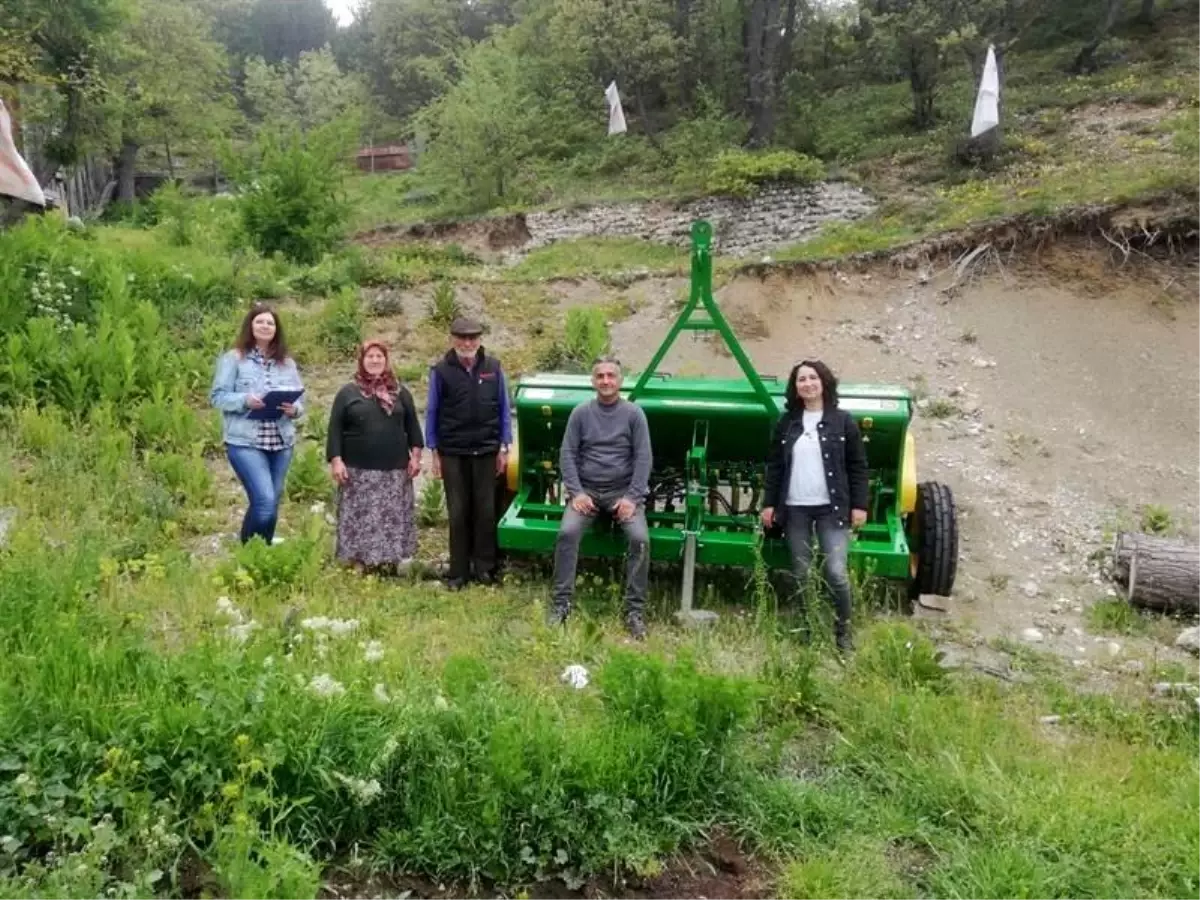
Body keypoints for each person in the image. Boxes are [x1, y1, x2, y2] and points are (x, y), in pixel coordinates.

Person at [761, 359, 869, 652]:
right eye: (801, 380)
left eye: (812, 378)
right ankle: (808, 630)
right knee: (802, 573)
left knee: (835, 571)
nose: (807, 383)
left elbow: (857, 466)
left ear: (824, 383)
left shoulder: (843, 421)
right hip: (795, 508)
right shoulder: (787, 423)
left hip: (831, 509)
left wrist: (860, 505)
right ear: (795, 388)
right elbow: (775, 467)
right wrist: (769, 504)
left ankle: (843, 634)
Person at [549, 356, 653, 640]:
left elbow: (644, 458)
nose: (606, 381)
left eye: (611, 376)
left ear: (620, 380)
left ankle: (634, 611)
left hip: (623, 493)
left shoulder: (634, 414)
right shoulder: (581, 413)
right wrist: (577, 492)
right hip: (588, 492)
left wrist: (632, 497)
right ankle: (560, 605)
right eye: (600, 376)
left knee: (640, 540)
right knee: (567, 533)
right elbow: (567, 453)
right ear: (592, 381)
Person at [424, 316, 511, 589]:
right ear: (453, 340)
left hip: (486, 449)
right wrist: (434, 451)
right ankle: (458, 571)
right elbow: (432, 411)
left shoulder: (494, 368)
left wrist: (504, 446)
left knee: (485, 511)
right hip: (453, 451)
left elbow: (504, 409)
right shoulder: (440, 371)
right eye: (462, 338)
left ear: (480, 340)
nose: (468, 343)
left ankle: (485, 568)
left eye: (473, 338)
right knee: (458, 511)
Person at [210, 302, 305, 545]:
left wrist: (293, 409)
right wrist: (244, 400)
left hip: (281, 441)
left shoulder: (288, 363)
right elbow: (217, 397)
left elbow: (301, 402)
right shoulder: (234, 359)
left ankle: (261, 549)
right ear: (250, 326)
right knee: (264, 501)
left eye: (270, 323)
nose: (265, 326)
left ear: (277, 329)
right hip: (245, 441)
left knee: (272, 502)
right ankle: (250, 550)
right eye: (260, 321)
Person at [326, 339, 424, 573]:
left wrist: (416, 457)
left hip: (394, 469)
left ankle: (390, 561)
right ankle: (359, 561)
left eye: (379, 356)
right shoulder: (348, 393)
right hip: (358, 469)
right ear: (362, 361)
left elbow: (413, 428)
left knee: (391, 516)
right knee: (360, 516)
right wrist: (336, 461)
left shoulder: (400, 392)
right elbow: (334, 430)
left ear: (386, 360)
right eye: (370, 356)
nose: (375, 360)